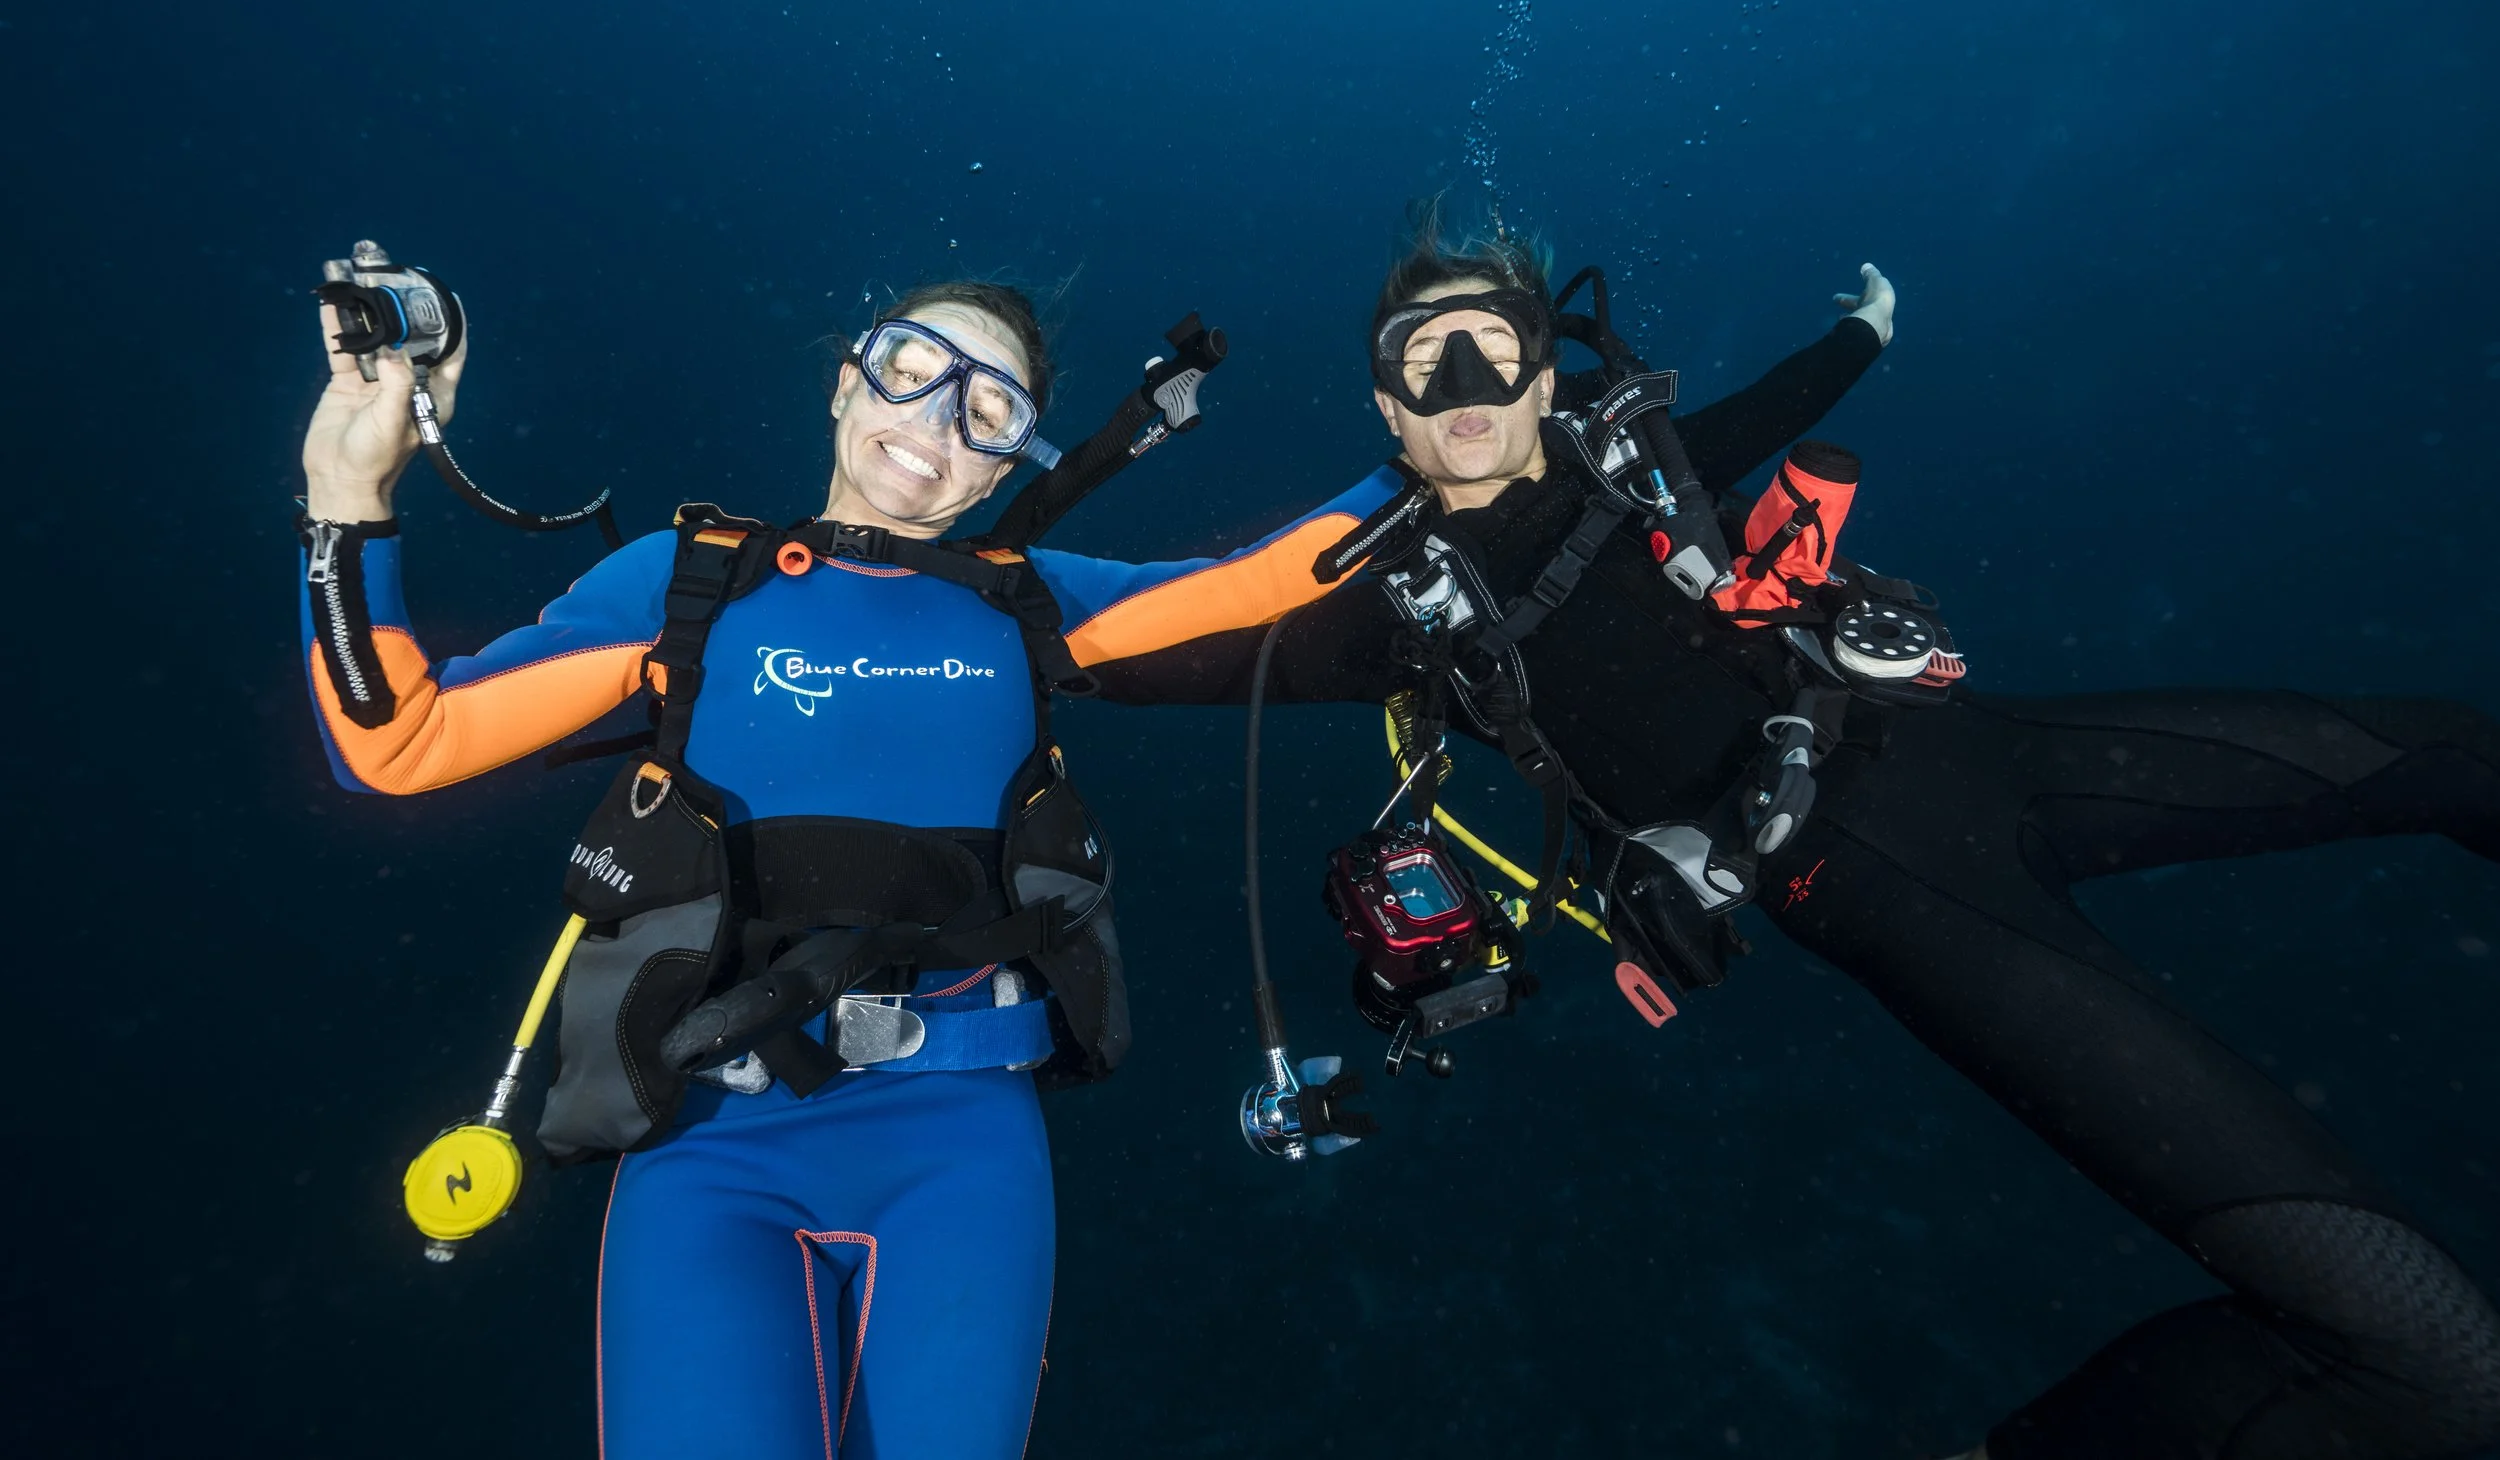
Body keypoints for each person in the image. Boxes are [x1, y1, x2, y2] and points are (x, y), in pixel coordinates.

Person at [1074, 217, 2500, 1459]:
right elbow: (1137, 651)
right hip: (1874, 887)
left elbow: (1777, 401)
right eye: (1419, 358)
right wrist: (934, 604)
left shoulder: (1642, 463)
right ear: (1381, 405)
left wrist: (1863, 331)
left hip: (1986, 752)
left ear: (1546, 366)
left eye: (1493, 347)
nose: (1461, 387)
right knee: (2432, 1368)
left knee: (2454, 755)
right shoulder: (1388, 609)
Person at [294, 278, 1320, 1458]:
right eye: (909, 369)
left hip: (961, 1147)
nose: (936, 423)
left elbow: (1268, 581)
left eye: (990, 410)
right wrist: (348, 490)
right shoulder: (688, 584)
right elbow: (398, 744)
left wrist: (1456, 436)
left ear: (1003, 467)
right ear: (845, 382)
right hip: (707, 1148)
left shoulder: (1028, 603)